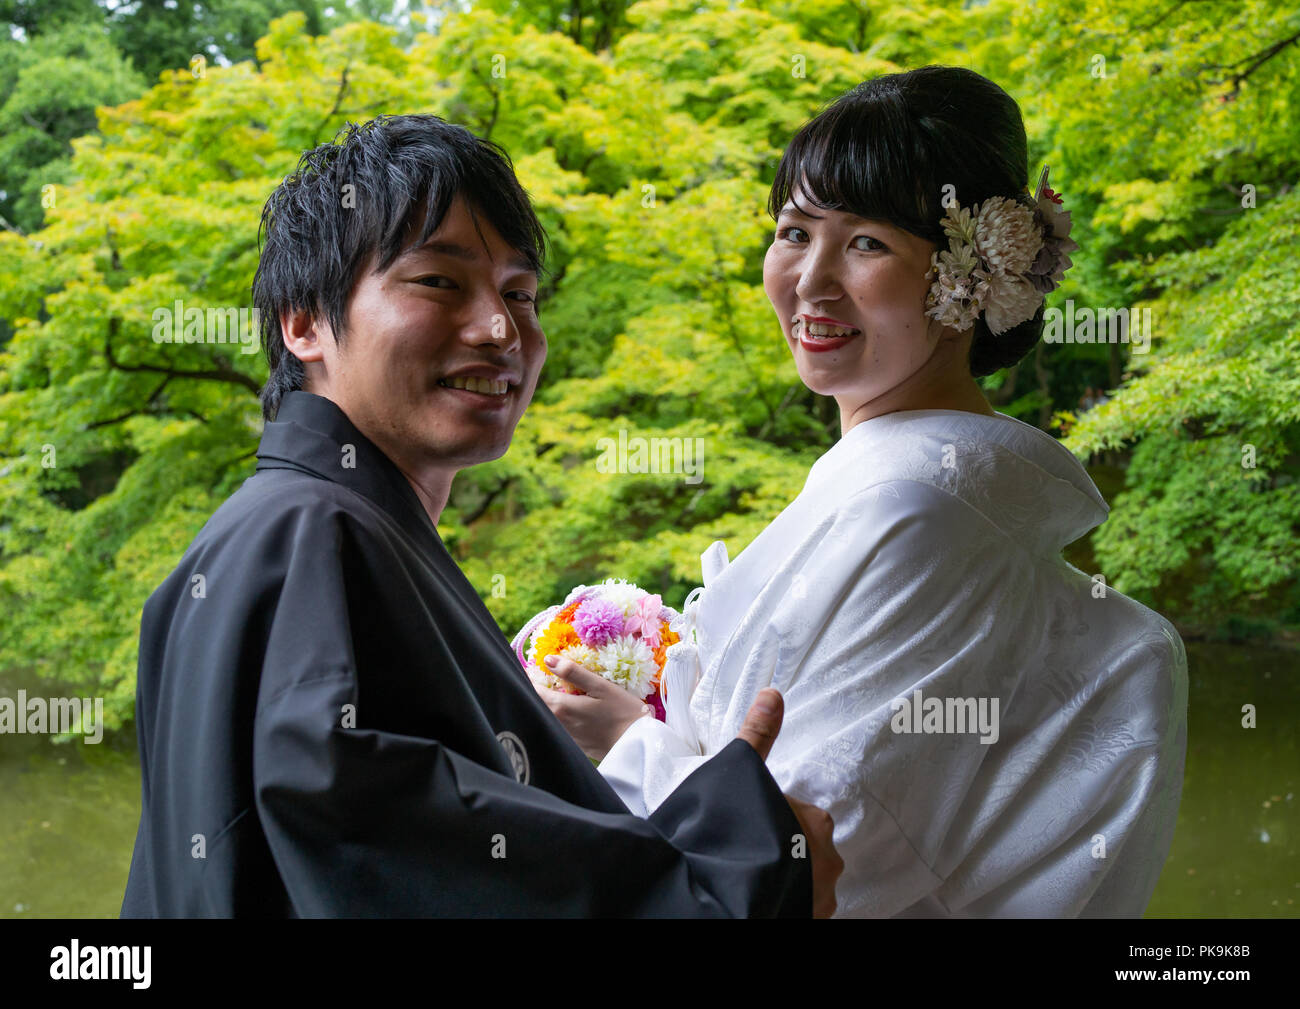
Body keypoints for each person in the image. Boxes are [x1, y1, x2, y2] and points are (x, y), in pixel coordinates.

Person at [120, 114, 842, 918]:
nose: (501, 330)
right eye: (439, 281)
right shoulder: (310, 533)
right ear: (304, 323)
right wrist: (746, 868)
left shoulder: (305, 531)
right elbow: (378, 855)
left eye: (520, 293)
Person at [537, 67, 1188, 918]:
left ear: (974, 278)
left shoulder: (916, 512)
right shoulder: (932, 502)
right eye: (793, 232)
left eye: (865, 243)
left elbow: (816, 858)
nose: (810, 280)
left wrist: (631, 741)